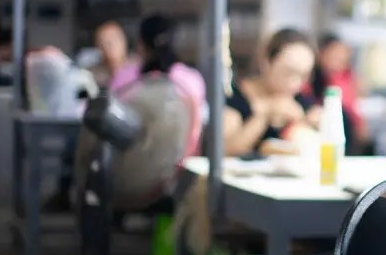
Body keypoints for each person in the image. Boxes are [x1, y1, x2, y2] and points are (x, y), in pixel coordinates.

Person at [110, 14, 206, 157]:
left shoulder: (125, 77)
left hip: (131, 167)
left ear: (140, 44)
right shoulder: (191, 79)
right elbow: (197, 129)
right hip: (181, 165)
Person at [223, 28, 320, 156]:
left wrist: (310, 123)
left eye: (303, 76)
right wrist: (263, 116)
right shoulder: (233, 97)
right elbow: (225, 150)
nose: (295, 83)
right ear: (266, 61)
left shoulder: (300, 101)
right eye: (288, 72)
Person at [310, 33, 368, 151]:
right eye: (335, 54)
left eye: (343, 54)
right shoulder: (311, 79)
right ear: (321, 53)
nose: (341, 58)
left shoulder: (347, 77)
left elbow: (353, 108)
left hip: (347, 136)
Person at [90, 21, 130, 88]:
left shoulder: (139, 72)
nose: (111, 44)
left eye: (114, 38)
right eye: (104, 41)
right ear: (98, 46)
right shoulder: (91, 76)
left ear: (124, 41)